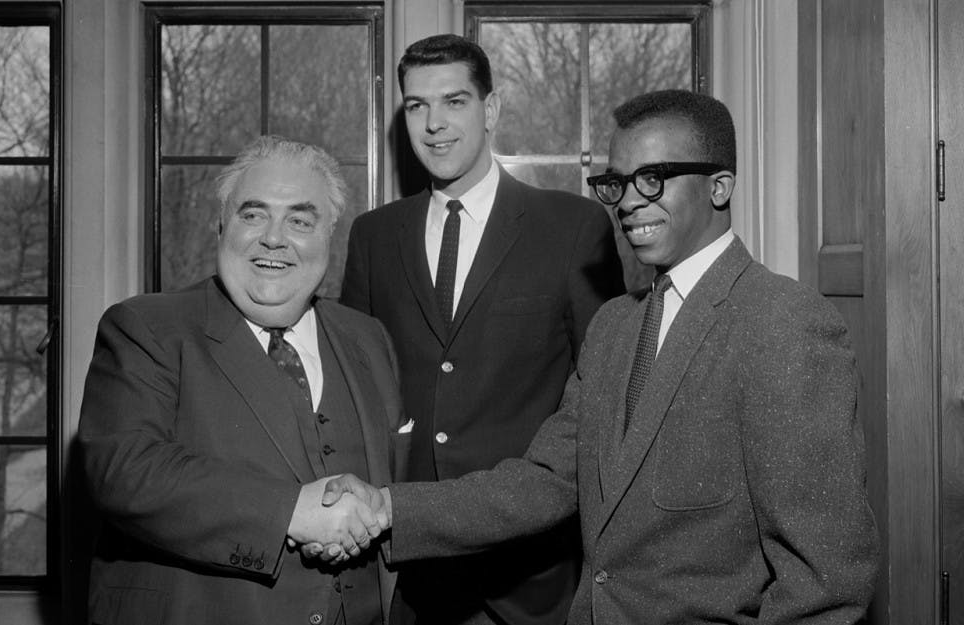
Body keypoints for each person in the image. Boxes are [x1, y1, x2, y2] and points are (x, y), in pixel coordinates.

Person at [318, 89, 881, 624]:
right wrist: (388, 509)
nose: (629, 202)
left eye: (653, 180)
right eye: (618, 183)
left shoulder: (783, 322)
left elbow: (827, 581)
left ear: (719, 187)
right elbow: (545, 482)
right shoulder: (615, 326)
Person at [339, 33, 624, 625]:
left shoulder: (571, 226)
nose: (434, 124)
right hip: (411, 578)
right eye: (417, 106)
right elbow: (354, 390)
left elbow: (605, 400)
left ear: (490, 110)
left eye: (455, 102)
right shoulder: (373, 235)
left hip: (532, 577)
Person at [78, 136, 409, 625]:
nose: (274, 238)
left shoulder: (368, 338)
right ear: (221, 226)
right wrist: (290, 512)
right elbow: (123, 469)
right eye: (253, 215)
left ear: (328, 238)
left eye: (300, 220)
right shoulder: (147, 328)